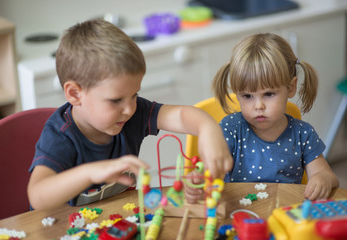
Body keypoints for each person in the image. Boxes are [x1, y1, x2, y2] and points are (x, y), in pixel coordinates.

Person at [27, 19, 233, 210]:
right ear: (75, 94)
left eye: (134, 95)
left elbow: (180, 116)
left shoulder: (132, 113)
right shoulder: (60, 135)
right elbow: (37, 196)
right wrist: (90, 172)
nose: (129, 109)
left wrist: (208, 128)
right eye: (116, 100)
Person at [184, 33, 339, 203]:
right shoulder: (231, 128)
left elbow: (326, 175)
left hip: (285, 214)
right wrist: (198, 177)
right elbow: (211, 169)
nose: (258, 106)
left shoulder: (303, 134)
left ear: (291, 87)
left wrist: (323, 179)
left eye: (269, 94)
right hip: (238, 215)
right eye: (247, 96)